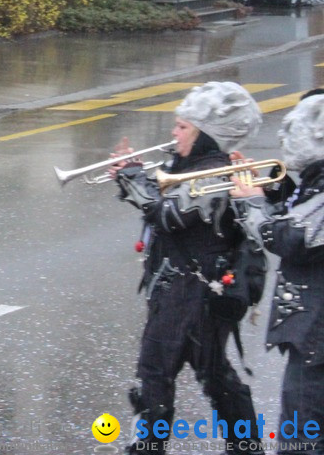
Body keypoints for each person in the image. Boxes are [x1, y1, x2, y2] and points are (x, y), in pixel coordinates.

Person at [110, 82, 263, 454]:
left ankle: (148, 448)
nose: (173, 133)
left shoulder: (211, 173)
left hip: (190, 291)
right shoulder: (189, 166)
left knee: (154, 374)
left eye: (183, 127)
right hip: (186, 288)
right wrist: (130, 176)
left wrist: (134, 179)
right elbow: (159, 203)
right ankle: (245, 446)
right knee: (213, 374)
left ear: (205, 135)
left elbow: (170, 215)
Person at [230, 94, 324, 453]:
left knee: (301, 440)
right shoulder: (316, 178)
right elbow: (300, 213)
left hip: (317, 334)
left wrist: (253, 202)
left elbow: (292, 237)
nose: (285, 138)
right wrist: (269, 188)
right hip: (313, 331)